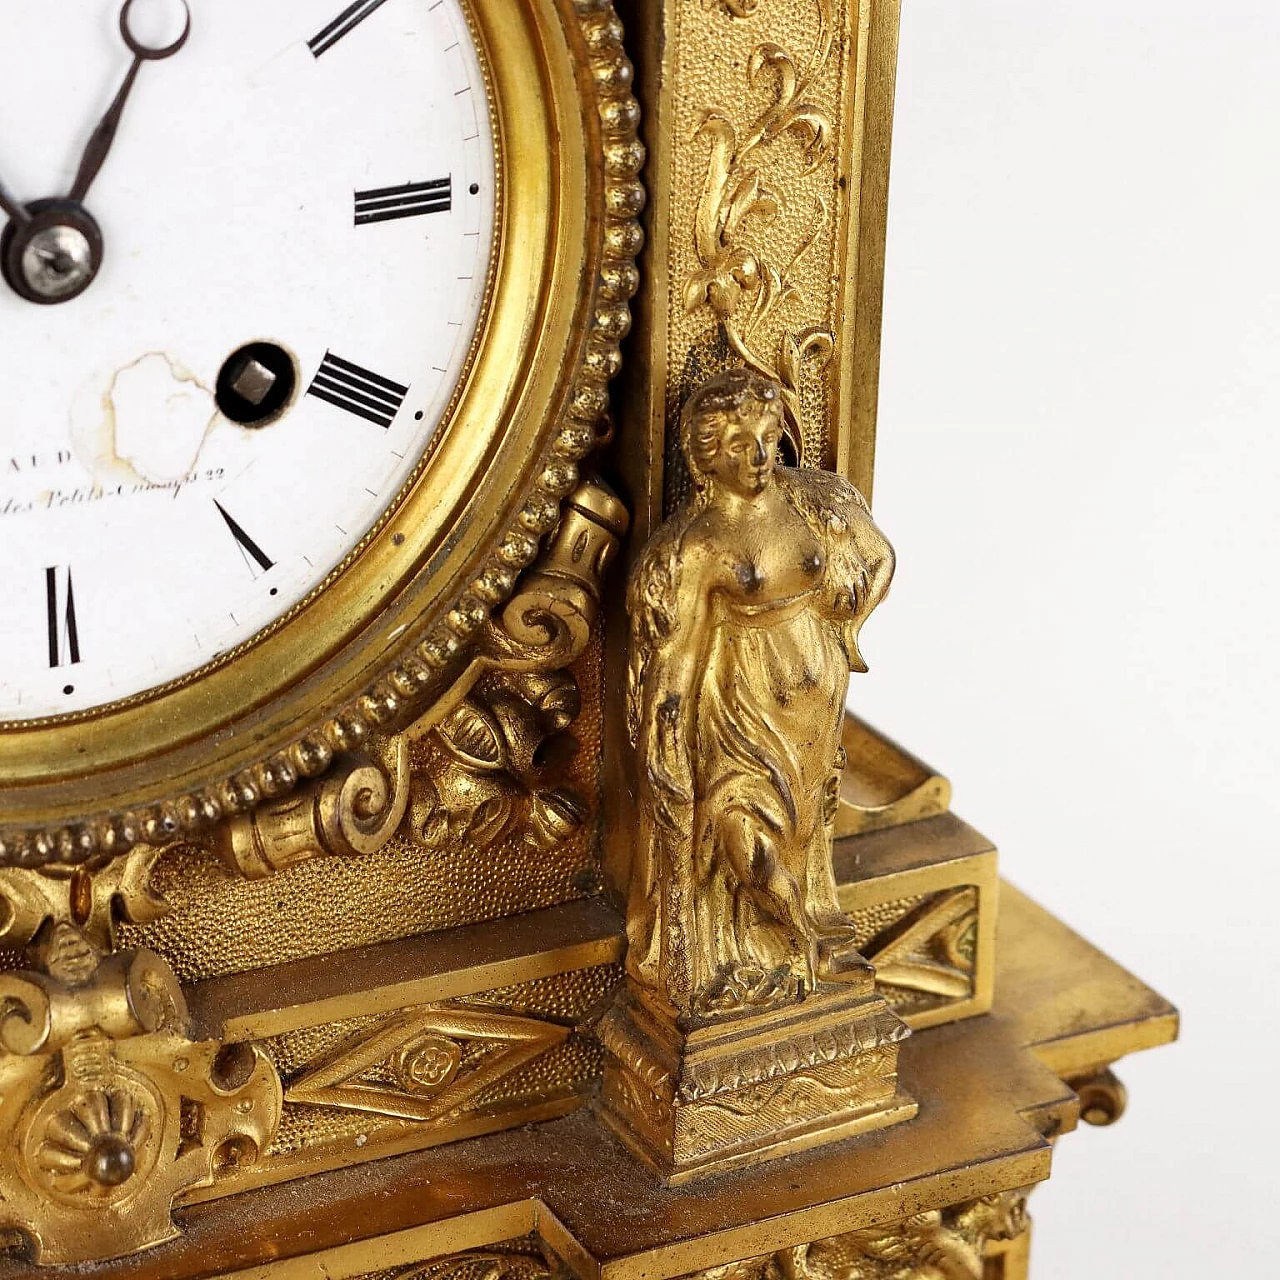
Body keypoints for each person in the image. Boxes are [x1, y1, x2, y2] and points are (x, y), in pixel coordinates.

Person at [625, 367, 895, 1018]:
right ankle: (802, 936)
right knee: (741, 829)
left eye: (766, 436)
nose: (757, 453)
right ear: (706, 456)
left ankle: (809, 930)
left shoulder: (809, 501)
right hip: (739, 710)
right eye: (738, 442)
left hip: (812, 700)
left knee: (806, 825)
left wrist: (850, 619)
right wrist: (665, 750)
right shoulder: (695, 549)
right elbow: (675, 664)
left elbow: (875, 555)